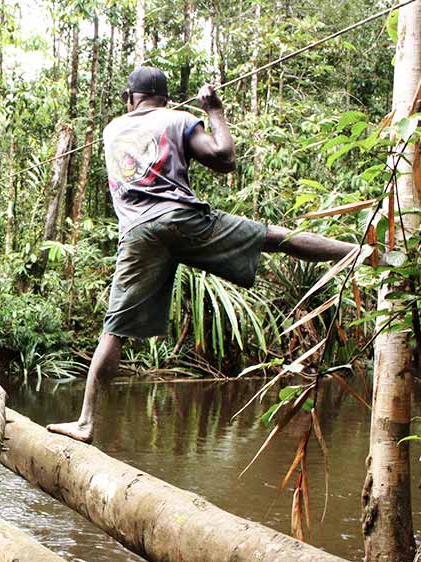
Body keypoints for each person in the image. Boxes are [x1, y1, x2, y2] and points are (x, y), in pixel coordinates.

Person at [47, 66, 358, 444]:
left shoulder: (111, 130)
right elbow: (225, 158)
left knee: (114, 330)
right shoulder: (178, 118)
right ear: (164, 97)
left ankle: (85, 422)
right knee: (273, 237)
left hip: (139, 234)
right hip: (183, 221)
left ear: (130, 99)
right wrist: (213, 110)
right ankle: (359, 253)